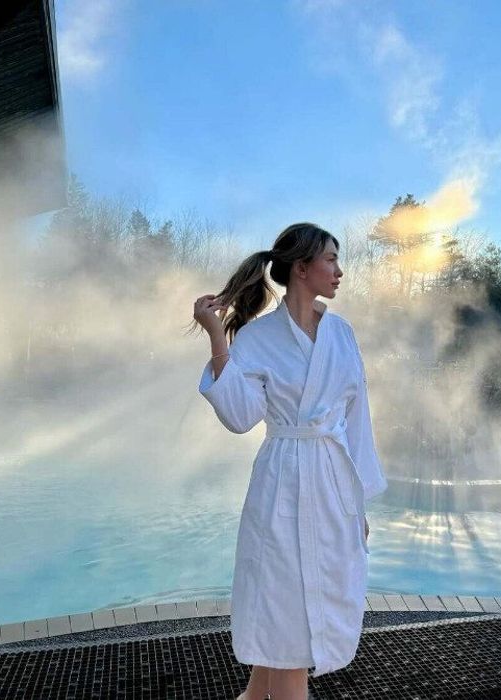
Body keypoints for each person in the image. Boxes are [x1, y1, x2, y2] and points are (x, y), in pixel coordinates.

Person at [191, 223, 387, 700]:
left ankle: (255, 696)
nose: (339, 271)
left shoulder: (342, 334)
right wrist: (218, 336)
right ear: (301, 269)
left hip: (332, 481)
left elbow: (356, 421)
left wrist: (360, 504)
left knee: (298, 609)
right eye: (330, 260)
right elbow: (240, 416)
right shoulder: (259, 337)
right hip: (281, 480)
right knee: (287, 611)